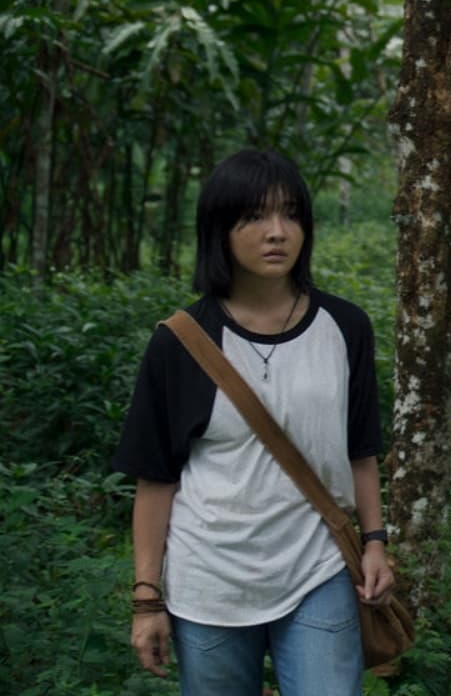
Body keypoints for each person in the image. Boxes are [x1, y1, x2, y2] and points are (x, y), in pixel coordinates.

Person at [114, 149, 394, 695]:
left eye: (291, 214)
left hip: (318, 570)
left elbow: (360, 451)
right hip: (209, 581)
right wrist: (147, 598)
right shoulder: (180, 342)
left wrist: (375, 542)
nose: (277, 232)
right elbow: (156, 479)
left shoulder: (345, 327)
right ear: (219, 229)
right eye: (255, 217)